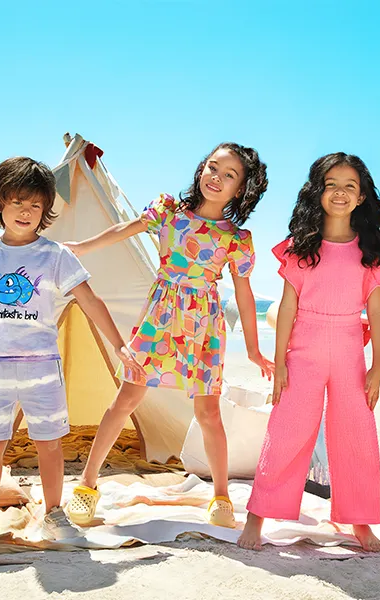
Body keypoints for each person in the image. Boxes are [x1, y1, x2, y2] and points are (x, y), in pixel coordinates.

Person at [0, 157, 143, 542]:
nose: (26, 211)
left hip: (43, 366)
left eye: (36, 205)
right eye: (18, 201)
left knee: (50, 444)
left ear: (46, 210)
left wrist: (120, 346)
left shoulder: (56, 256)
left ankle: (54, 512)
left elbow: (92, 300)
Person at [65, 142, 274, 528]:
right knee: (127, 397)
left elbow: (243, 294)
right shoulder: (169, 213)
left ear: (240, 190)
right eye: (213, 167)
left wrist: (256, 350)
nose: (217, 178)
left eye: (229, 175)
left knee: (208, 412)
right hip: (161, 315)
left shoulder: (235, 239)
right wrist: (82, 247)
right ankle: (87, 485)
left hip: (205, 326)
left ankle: (221, 497)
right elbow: (124, 230)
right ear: (201, 169)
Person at [238, 152, 380, 551]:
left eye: (350, 186)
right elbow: (288, 306)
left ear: (362, 197)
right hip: (303, 348)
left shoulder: (371, 250)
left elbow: (376, 313)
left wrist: (378, 366)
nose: (340, 193)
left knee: (355, 433)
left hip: (349, 349)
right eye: (332, 185)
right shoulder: (300, 247)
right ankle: (256, 518)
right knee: (288, 430)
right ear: (318, 191)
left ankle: (359, 521)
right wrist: (279, 365)